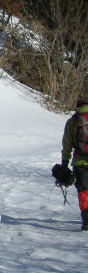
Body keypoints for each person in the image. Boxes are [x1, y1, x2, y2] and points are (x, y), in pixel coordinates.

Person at [59, 99, 88, 231]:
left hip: (80, 162)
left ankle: (87, 219)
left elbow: (67, 144)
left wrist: (65, 162)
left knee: (84, 191)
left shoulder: (73, 122)